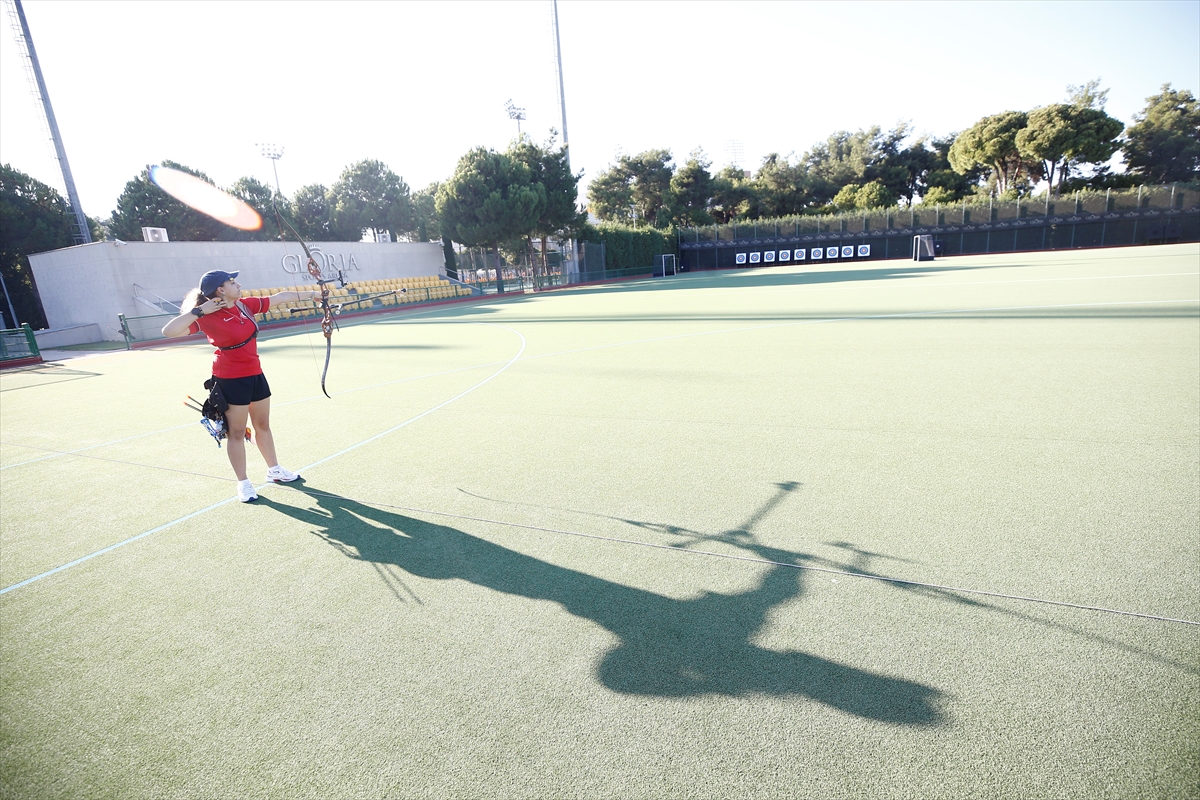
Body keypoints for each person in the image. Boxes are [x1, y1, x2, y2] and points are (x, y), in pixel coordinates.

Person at [162, 269, 317, 502]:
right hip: (230, 378)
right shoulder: (206, 316)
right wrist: (199, 311)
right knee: (236, 432)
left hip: (255, 373)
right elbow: (169, 331)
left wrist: (314, 293)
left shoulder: (245, 305)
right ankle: (243, 484)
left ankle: (274, 470)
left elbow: (280, 298)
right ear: (221, 289)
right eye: (232, 282)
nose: (239, 284)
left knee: (262, 425)